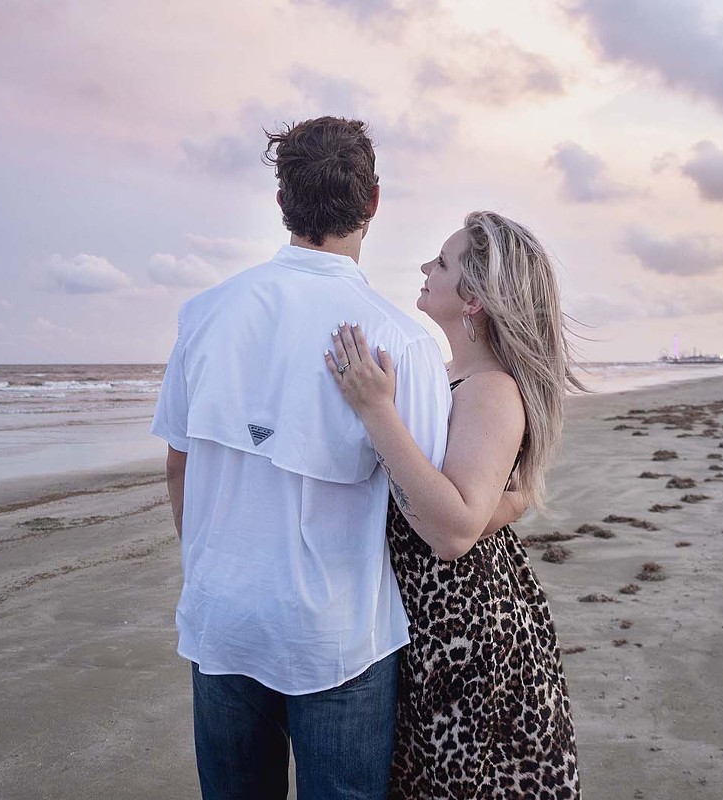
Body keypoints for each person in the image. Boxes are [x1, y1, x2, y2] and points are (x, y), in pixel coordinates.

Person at [150, 117, 459, 800]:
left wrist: (210, 565)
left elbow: (180, 462)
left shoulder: (205, 314)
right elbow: (429, 507)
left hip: (221, 616)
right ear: (373, 202)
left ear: (282, 200)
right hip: (337, 634)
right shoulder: (401, 340)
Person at [325, 211, 582, 797]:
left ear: (475, 300)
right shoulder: (452, 376)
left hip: (464, 631)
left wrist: (376, 410)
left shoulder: (492, 388)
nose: (423, 267)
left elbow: (453, 533)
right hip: (439, 625)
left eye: (441, 262)